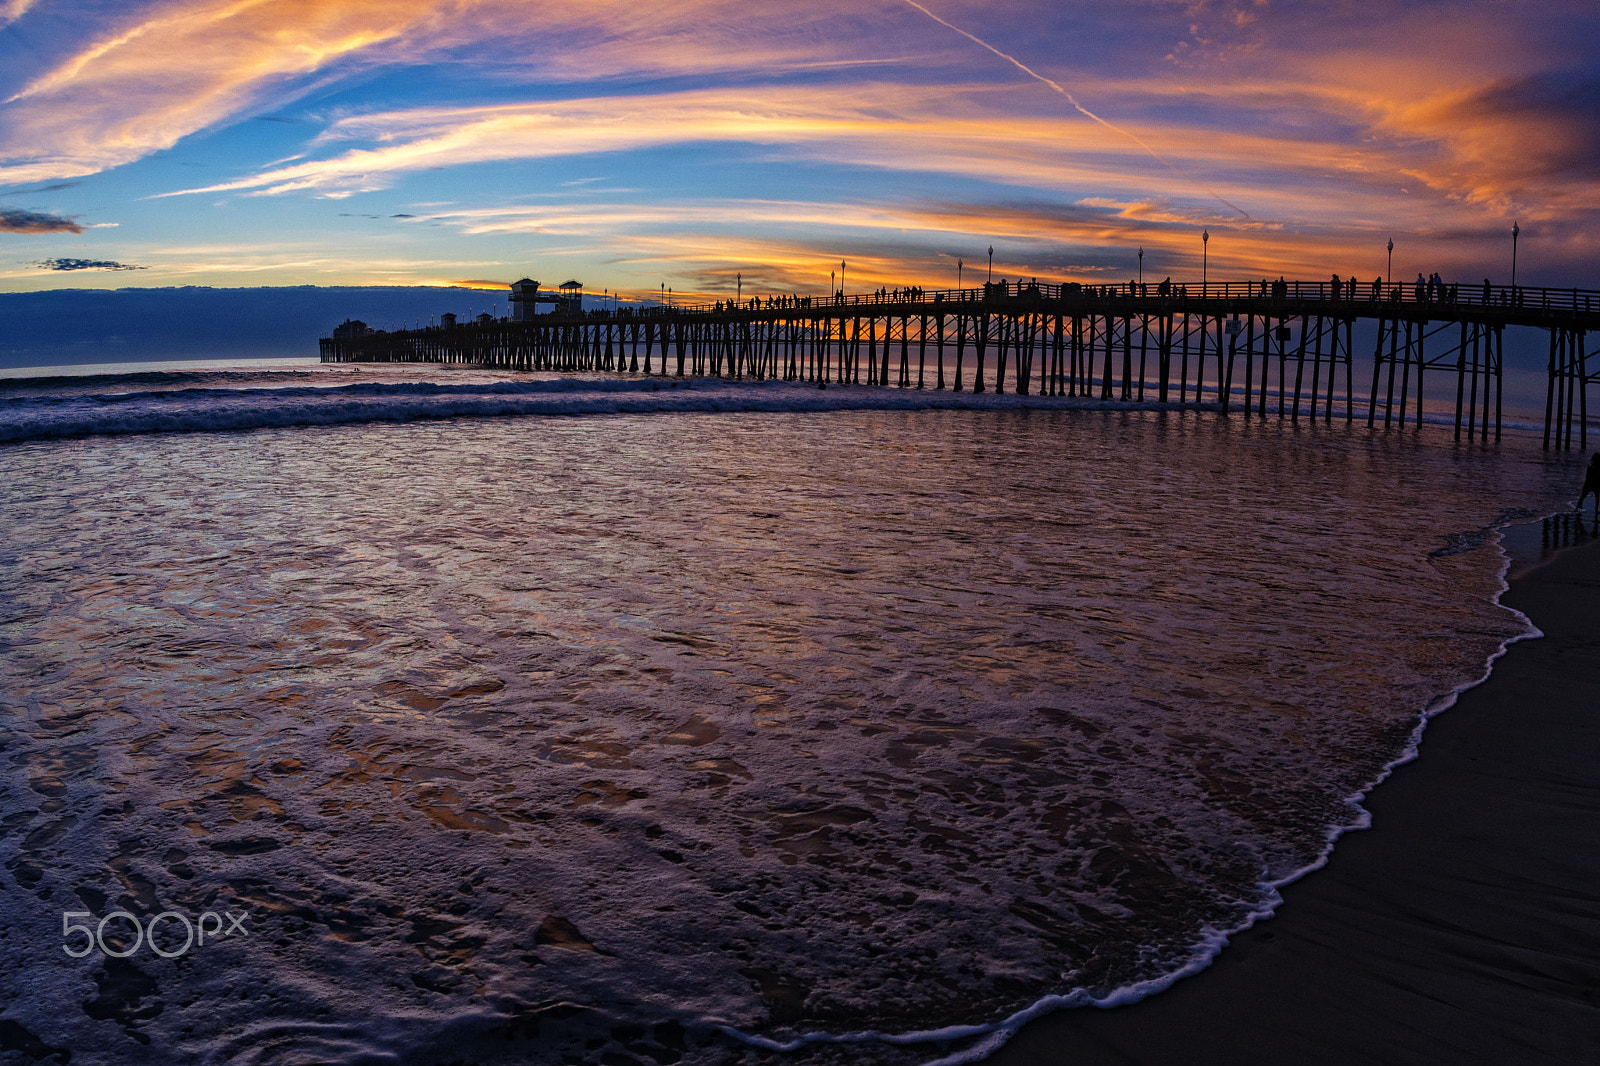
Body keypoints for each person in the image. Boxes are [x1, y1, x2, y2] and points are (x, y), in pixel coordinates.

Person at [1579, 453, 1600, 519]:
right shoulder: (1599, 469)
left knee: (1582, 496)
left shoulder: (1590, 467)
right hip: (1596, 483)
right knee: (1597, 497)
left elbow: (1587, 477)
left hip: (1588, 483)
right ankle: (1596, 510)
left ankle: (1577, 507)